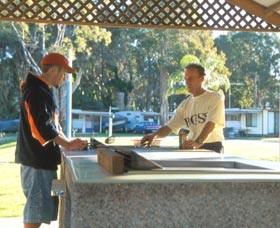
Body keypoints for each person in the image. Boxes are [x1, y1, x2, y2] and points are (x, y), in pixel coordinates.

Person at [15, 52, 87, 228]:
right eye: (63, 73)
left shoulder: (42, 90)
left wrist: (69, 143)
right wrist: (68, 144)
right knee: (36, 209)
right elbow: (42, 128)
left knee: (39, 209)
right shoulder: (35, 91)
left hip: (40, 161)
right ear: (54, 69)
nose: (64, 79)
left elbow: (53, 126)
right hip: (35, 161)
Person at [140, 63, 225, 153]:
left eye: (191, 78)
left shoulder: (214, 98)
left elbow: (211, 124)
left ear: (202, 79)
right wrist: (154, 135)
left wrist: (198, 142)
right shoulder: (185, 105)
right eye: (186, 79)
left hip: (212, 146)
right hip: (192, 147)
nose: (187, 82)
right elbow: (170, 127)